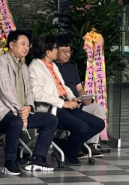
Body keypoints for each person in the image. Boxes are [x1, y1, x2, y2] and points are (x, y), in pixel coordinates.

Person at [0, 30, 58, 175]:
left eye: (28, 45)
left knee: (51, 120)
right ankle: (10, 163)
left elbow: (29, 91)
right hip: (0, 112)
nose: (26, 48)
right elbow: (5, 90)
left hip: (21, 112)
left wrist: (28, 107)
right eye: (23, 44)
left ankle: (38, 159)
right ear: (11, 45)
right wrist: (21, 111)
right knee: (15, 122)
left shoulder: (23, 65)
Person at [29, 35, 105, 165]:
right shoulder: (35, 67)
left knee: (98, 124)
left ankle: (65, 146)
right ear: (48, 51)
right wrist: (63, 103)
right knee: (82, 127)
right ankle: (70, 153)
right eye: (55, 48)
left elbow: (63, 86)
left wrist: (71, 97)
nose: (57, 50)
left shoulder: (52, 65)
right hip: (53, 108)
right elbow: (37, 94)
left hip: (65, 105)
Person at [56, 35, 109, 157]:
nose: (68, 54)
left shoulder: (71, 67)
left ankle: (90, 144)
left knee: (98, 109)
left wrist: (85, 97)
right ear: (55, 51)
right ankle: (75, 144)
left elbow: (79, 88)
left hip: (77, 104)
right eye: (64, 51)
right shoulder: (50, 68)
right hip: (63, 107)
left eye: (69, 51)